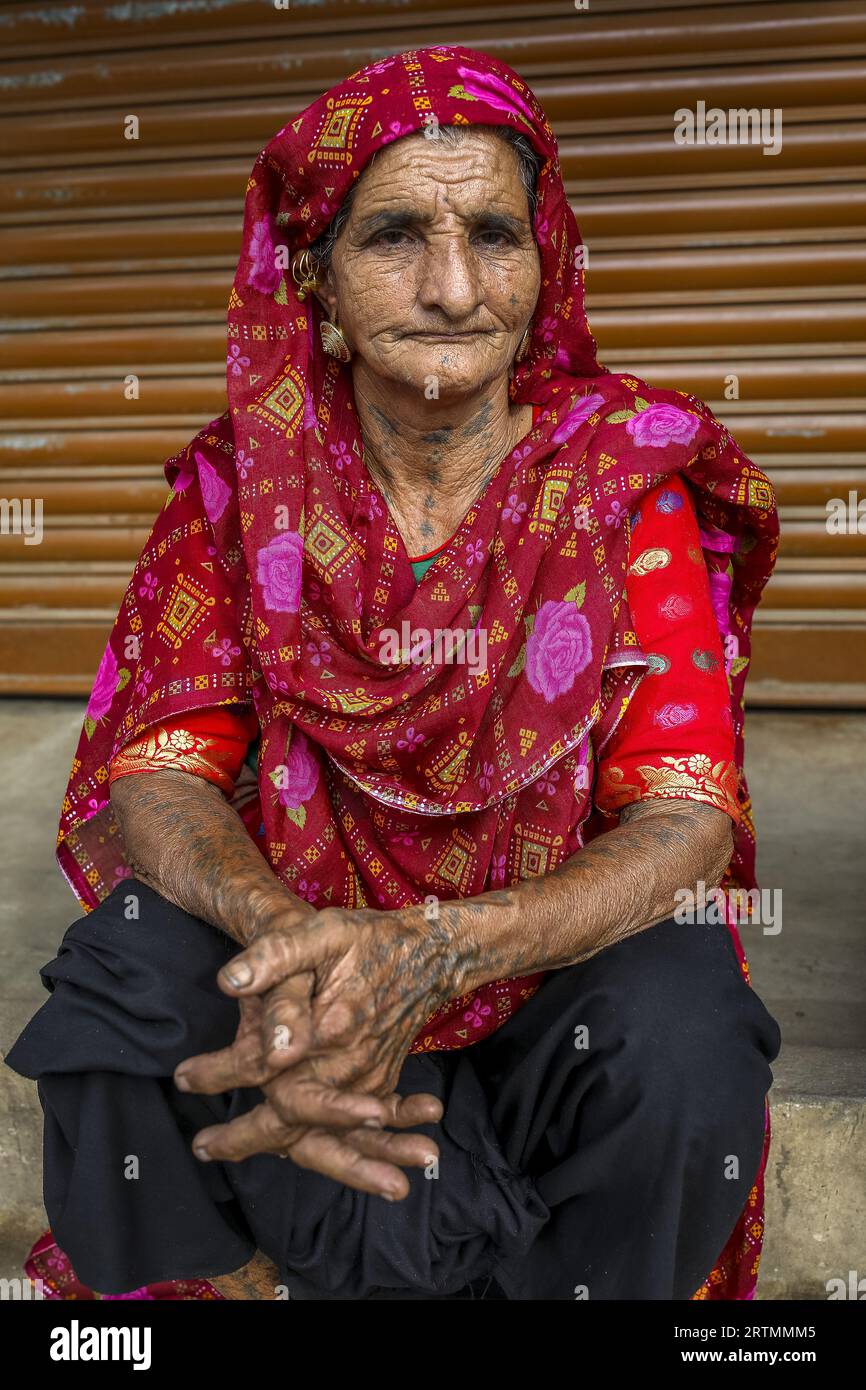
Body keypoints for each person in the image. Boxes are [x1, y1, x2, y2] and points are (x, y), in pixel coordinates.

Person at [6, 44, 781, 1302]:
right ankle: (226, 1286)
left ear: (546, 265)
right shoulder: (239, 492)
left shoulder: (612, 485)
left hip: (542, 962)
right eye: (392, 239)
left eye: (491, 231)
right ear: (313, 285)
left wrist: (440, 948)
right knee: (125, 968)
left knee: (686, 1025)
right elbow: (159, 777)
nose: (452, 285)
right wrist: (291, 943)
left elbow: (684, 817)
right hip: (299, 967)